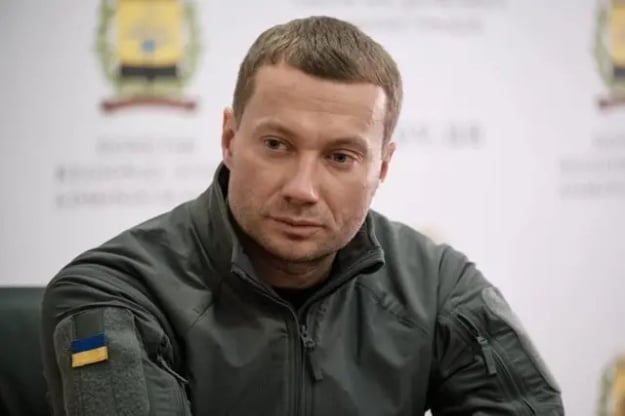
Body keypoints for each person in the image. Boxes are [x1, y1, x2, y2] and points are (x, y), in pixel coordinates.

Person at [41, 15, 564, 415]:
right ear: (229, 138)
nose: (302, 189)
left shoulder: (437, 285)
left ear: (382, 167)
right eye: (276, 144)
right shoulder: (116, 290)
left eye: (340, 157)